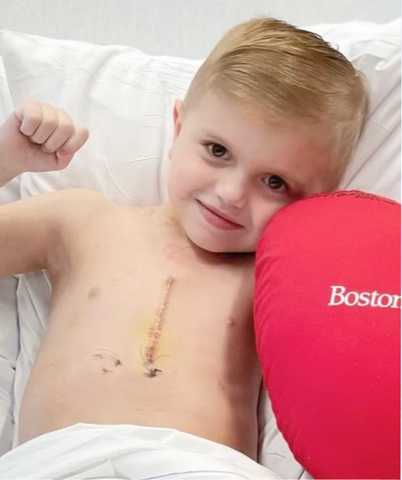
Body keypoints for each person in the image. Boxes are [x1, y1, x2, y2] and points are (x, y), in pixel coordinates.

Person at [0, 17, 367, 476]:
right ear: (177, 127)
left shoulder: (278, 277)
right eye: (217, 151)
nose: (232, 193)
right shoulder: (82, 221)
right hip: (60, 461)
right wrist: (7, 160)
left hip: (198, 466)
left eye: (275, 182)